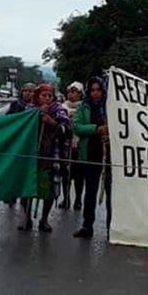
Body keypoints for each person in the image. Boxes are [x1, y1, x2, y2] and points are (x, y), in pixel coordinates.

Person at [19, 83, 70, 233]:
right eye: (43, 95)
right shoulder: (29, 110)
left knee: (48, 190)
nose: (47, 98)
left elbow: (67, 130)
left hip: (51, 156)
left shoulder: (60, 111)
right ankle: (26, 218)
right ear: (37, 97)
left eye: (50, 96)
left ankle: (44, 219)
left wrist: (51, 122)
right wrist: (37, 116)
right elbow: (22, 127)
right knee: (27, 188)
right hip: (32, 155)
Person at [73, 77, 111, 239]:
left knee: (111, 193)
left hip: (109, 156)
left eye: (98, 90)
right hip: (90, 154)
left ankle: (111, 228)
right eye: (92, 90)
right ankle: (87, 226)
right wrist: (96, 129)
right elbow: (77, 127)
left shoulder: (111, 106)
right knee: (90, 192)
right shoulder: (83, 107)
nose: (96, 93)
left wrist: (110, 134)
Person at [60, 82, 84, 211]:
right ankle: (66, 198)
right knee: (65, 174)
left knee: (79, 175)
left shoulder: (84, 108)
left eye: (74, 92)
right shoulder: (62, 107)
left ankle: (78, 199)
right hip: (65, 145)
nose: (71, 94)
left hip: (79, 145)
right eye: (69, 92)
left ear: (80, 94)